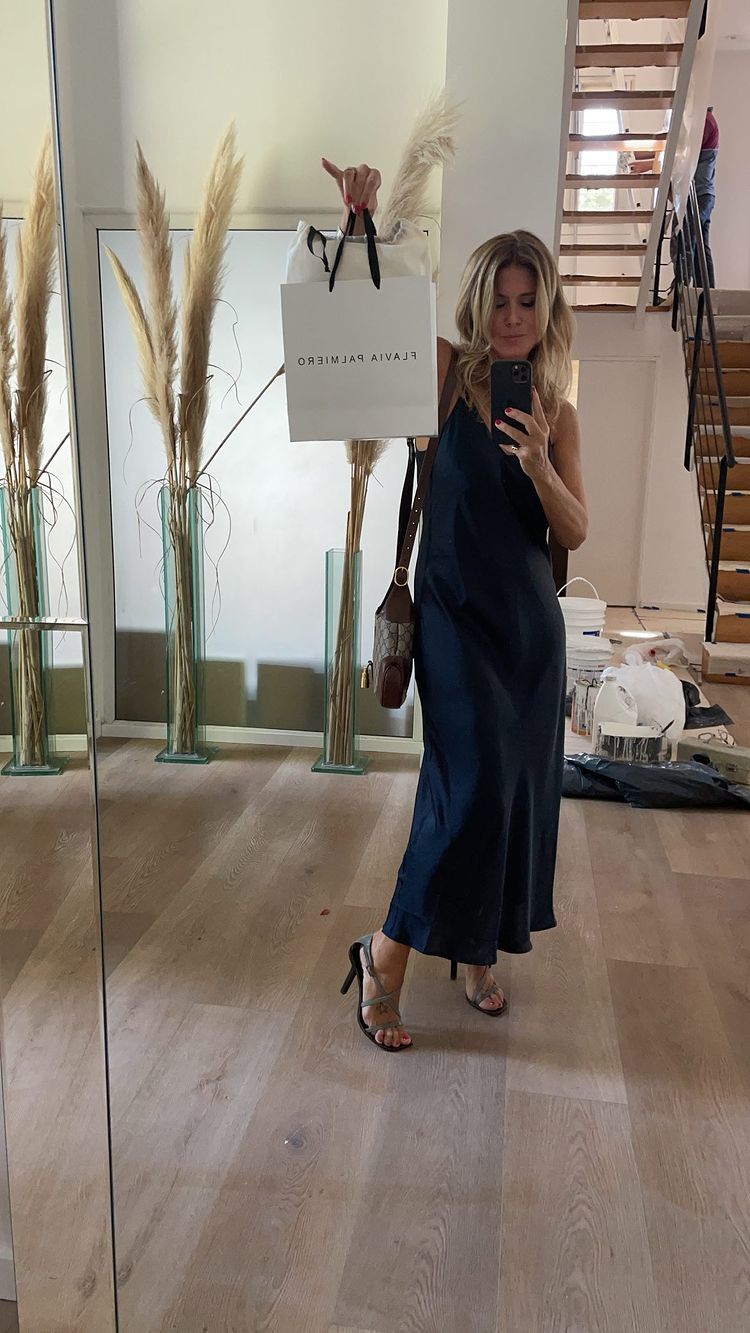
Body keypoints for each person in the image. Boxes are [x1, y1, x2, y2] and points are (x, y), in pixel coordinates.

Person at [324, 159, 588, 1051]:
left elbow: (575, 530)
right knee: (466, 788)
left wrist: (540, 462)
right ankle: (383, 955)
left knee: (513, 795)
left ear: (546, 309)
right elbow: (367, 326)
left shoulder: (558, 411)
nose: (512, 317)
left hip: (529, 634)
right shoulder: (440, 374)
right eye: (499, 301)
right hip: (451, 621)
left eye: (528, 302)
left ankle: (475, 950)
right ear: (479, 304)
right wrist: (360, 223)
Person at [693, 106, 719, 287]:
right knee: (700, 246)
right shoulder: (705, 120)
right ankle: (705, 292)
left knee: (685, 241)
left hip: (700, 195)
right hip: (703, 194)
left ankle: (680, 287)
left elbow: (685, 155)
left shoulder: (705, 121)